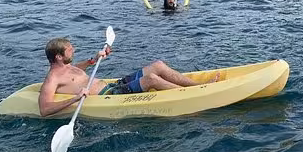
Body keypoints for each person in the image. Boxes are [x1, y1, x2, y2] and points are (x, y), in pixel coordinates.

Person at [38, 37, 219, 117]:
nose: (74, 49)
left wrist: (94, 59)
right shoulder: (52, 79)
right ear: (59, 57)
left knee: (158, 65)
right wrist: (75, 100)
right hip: (108, 97)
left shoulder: (67, 67)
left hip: (115, 86)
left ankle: (197, 86)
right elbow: (44, 109)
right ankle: (195, 96)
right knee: (151, 80)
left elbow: (76, 70)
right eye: (70, 49)